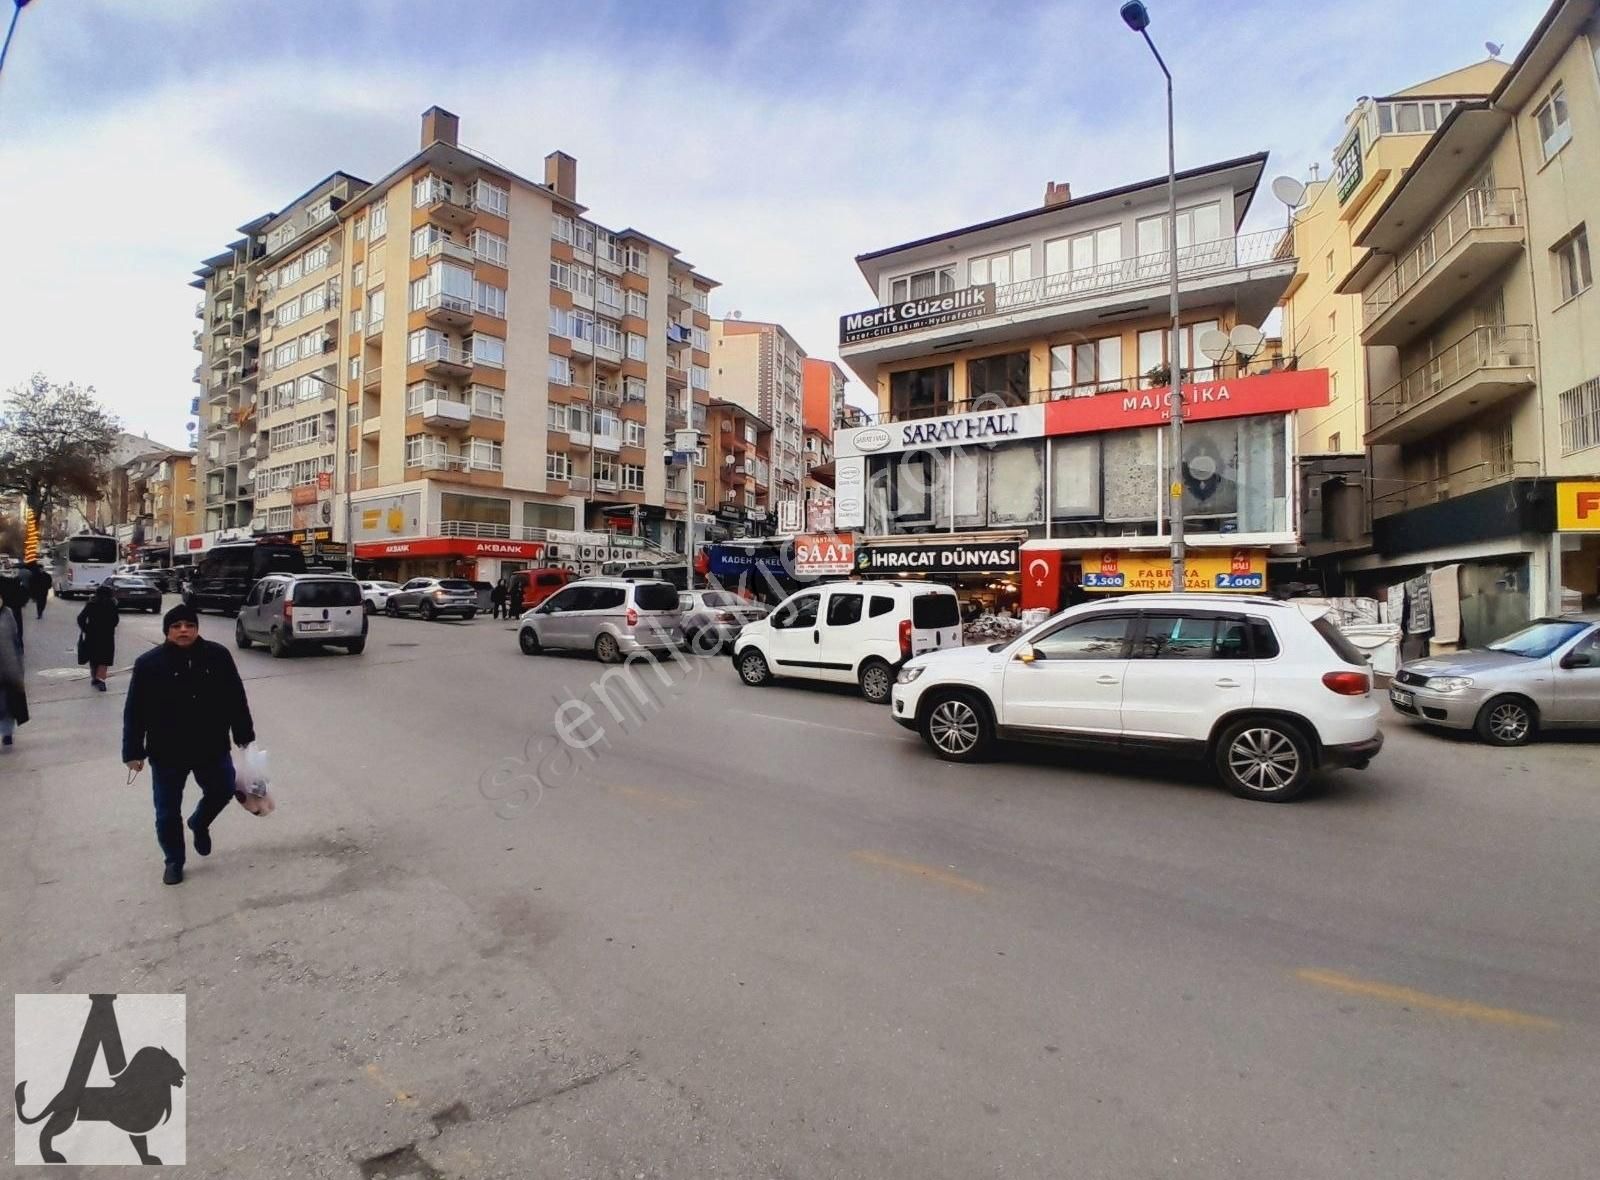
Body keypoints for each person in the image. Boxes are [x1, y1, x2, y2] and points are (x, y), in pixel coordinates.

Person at [122, 604, 256, 886]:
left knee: (223, 789)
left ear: (196, 628)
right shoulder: (148, 664)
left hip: (210, 745)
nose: (183, 630)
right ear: (167, 631)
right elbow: (135, 710)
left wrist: (243, 733)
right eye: (176, 626)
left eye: (189, 625)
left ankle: (199, 822)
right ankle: (174, 860)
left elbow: (235, 696)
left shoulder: (217, 656)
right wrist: (133, 751)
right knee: (167, 812)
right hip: (166, 751)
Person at [77, 583, 120, 692]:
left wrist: (86, 629)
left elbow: (81, 618)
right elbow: (116, 620)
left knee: (94, 657)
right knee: (104, 659)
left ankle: (94, 678)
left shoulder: (91, 604)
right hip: (107, 636)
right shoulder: (112, 604)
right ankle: (101, 680)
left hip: (92, 635)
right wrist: (110, 627)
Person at [0, 605, 23, 749]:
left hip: (7, 668)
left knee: (6, 702)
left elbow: (15, 639)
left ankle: (7, 732)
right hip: (8, 666)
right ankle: (6, 731)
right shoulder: (7, 613)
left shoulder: (7, 612)